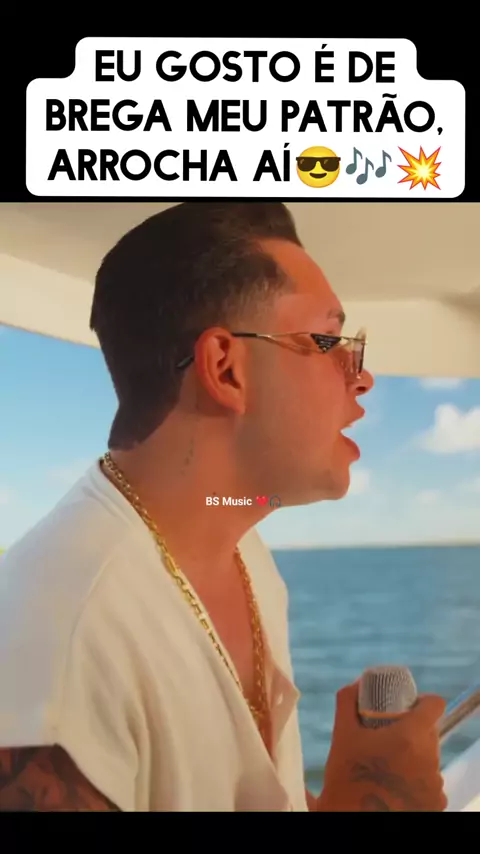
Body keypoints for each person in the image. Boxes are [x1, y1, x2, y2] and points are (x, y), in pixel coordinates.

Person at [0, 202, 446, 811]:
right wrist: (375, 798)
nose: (362, 377)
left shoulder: (239, 542)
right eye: (328, 340)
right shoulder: (66, 643)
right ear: (226, 369)